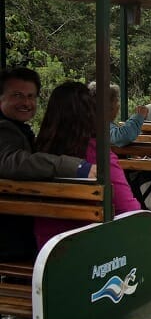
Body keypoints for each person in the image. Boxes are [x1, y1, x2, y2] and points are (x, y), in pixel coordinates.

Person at [34, 81, 151, 318]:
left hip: (48, 247)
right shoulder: (97, 155)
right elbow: (132, 213)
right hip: (91, 245)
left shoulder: (37, 151)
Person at [0, 68, 96, 262]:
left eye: (31, 96)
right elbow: (12, 161)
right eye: (17, 95)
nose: (26, 103)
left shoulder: (19, 130)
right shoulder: (4, 129)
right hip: (13, 242)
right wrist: (75, 167)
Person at [88, 81, 148, 147]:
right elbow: (123, 136)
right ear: (108, 106)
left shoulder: (89, 123)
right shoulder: (100, 124)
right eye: (116, 101)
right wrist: (139, 116)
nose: (118, 105)